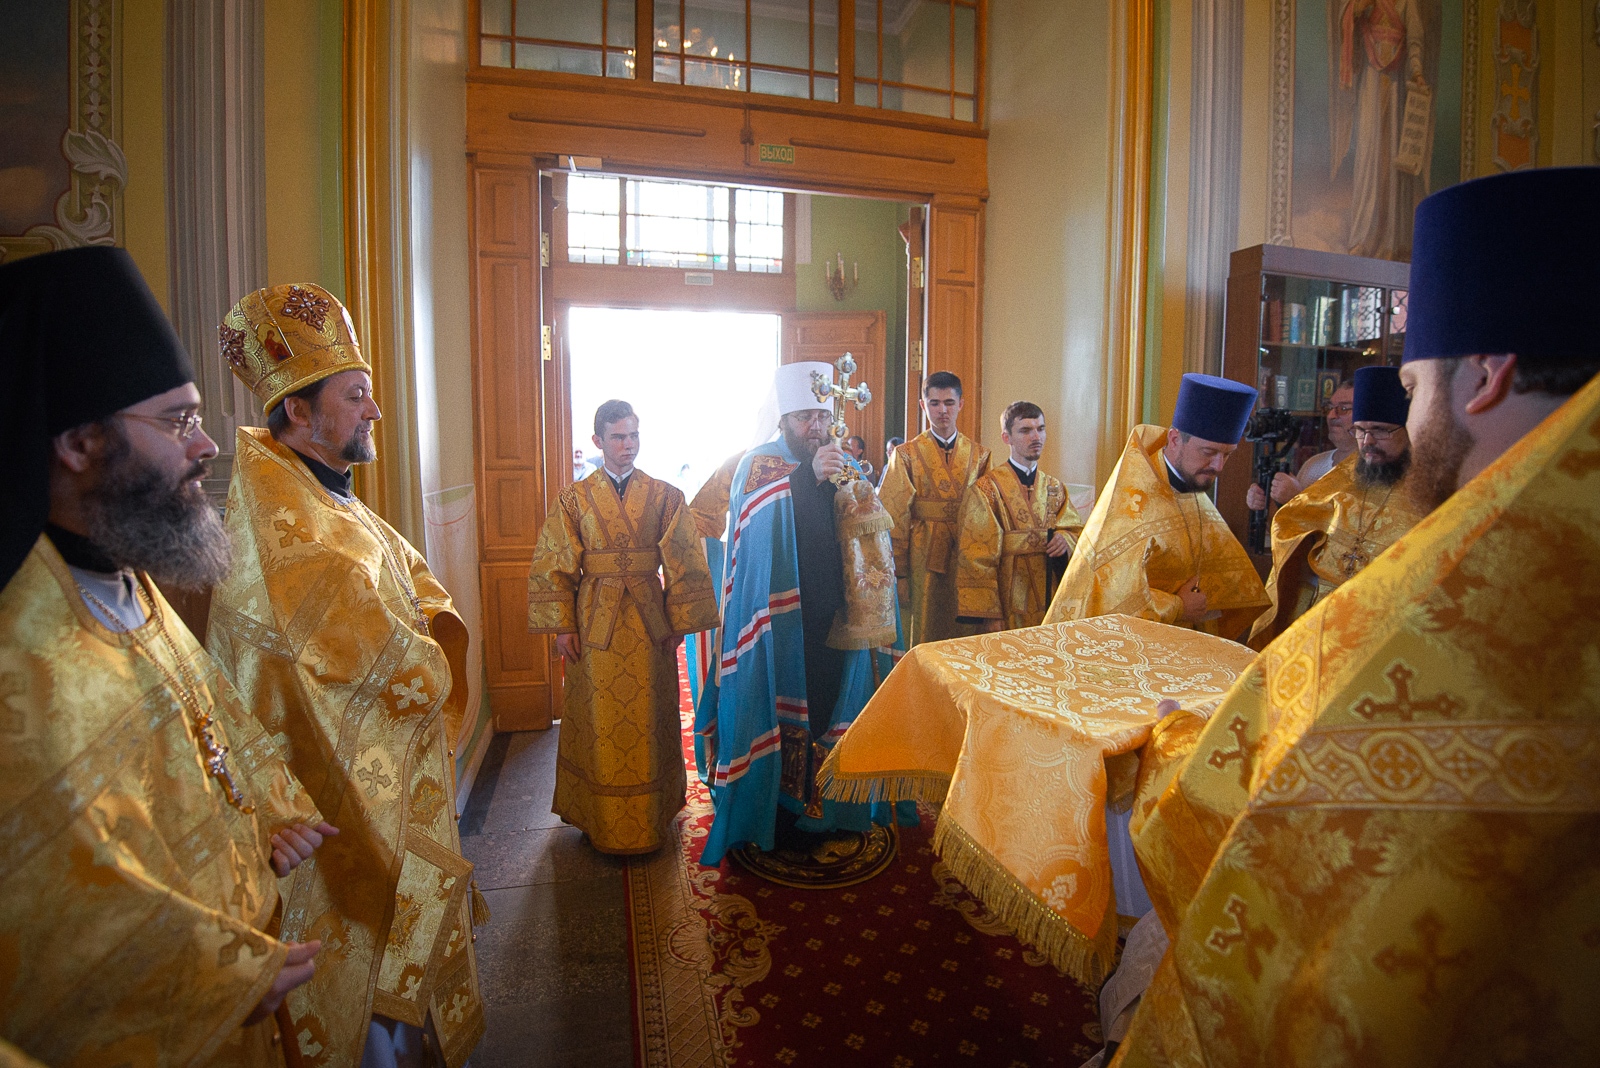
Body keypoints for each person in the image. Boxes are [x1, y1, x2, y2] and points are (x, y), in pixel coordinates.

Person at [1112, 167, 1600, 1066]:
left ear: (1486, 375)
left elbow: (1288, 824)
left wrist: (1173, 739)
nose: (1400, 426)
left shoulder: (1488, 587)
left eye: (1412, 388)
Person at [0, 248, 332, 1065]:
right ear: (79, 441)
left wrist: (273, 811)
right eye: (179, 422)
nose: (207, 445)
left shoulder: (131, 581)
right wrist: (216, 974)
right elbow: (42, 897)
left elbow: (215, 725)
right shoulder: (17, 644)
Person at [207, 283, 485, 1068]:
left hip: (379, 785)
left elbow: (405, 587)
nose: (375, 411)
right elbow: (363, 662)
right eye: (355, 396)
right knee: (368, 1005)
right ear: (298, 412)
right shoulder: (288, 533)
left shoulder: (320, 496)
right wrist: (428, 652)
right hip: (338, 817)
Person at [696, 362, 909, 866]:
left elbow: (871, 532)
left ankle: (824, 810)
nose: (815, 426)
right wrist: (806, 478)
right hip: (778, 621)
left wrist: (854, 487)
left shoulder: (841, 460)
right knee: (780, 710)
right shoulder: (759, 464)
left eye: (822, 416)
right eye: (804, 417)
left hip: (835, 616)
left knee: (828, 708)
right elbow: (752, 526)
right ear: (784, 419)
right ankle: (777, 814)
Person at [527, 401, 719, 853]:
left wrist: (680, 620)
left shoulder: (666, 495)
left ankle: (653, 810)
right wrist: (562, 626)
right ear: (598, 440)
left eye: (633, 435)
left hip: (650, 623)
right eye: (617, 437)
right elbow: (554, 562)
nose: (627, 445)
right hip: (594, 621)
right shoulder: (573, 498)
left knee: (650, 713)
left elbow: (685, 560)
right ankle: (597, 814)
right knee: (597, 716)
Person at [1044, 373, 1269, 639]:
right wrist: (1179, 606)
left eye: (1227, 455)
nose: (1218, 466)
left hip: (1184, 644)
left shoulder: (1194, 490)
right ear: (1174, 439)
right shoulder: (1132, 503)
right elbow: (1108, 598)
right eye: (1208, 453)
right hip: (1132, 649)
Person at [1246, 365, 1428, 648]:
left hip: (1382, 634)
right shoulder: (1333, 483)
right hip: (1317, 627)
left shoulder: (1430, 496)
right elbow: (1294, 548)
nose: (1367, 442)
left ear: (1409, 429)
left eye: (1380, 431)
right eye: (1360, 430)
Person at [877, 371, 991, 646]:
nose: (942, 411)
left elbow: (989, 518)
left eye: (949, 403)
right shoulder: (905, 455)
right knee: (924, 631)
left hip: (967, 557)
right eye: (935, 403)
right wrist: (899, 573)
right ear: (923, 405)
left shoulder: (980, 456)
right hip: (921, 557)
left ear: (961, 404)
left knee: (964, 638)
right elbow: (892, 518)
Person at [955, 400, 1083, 631]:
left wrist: (1065, 539)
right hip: (1007, 601)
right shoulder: (986, 490)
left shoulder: (1055, 488)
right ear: (1007, 438)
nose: (1036, 437)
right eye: (1025, 430)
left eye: (1040, 429)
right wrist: (990, 613)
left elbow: (1076, 531)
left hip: (1050, 595)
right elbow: (976, 556)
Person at [1331, 0, 1427, 259]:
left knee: (1392, 159)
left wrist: (1417, 71)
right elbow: (1347, 21)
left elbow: (1415, 38)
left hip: (1396, 86)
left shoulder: (1407, 3)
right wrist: (1357, 9)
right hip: (1370, 82)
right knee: (1368, 156)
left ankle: (1391, 241)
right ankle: (1362, 236)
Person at [1250, 381, 1356, 506]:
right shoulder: (1314, 465)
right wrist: (1264, 497)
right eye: (1329, 408)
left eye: (1343, 409)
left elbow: (1349, 517)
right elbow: (1286, 515)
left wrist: (1298, 498)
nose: (1330, 416)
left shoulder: (1370, 471)